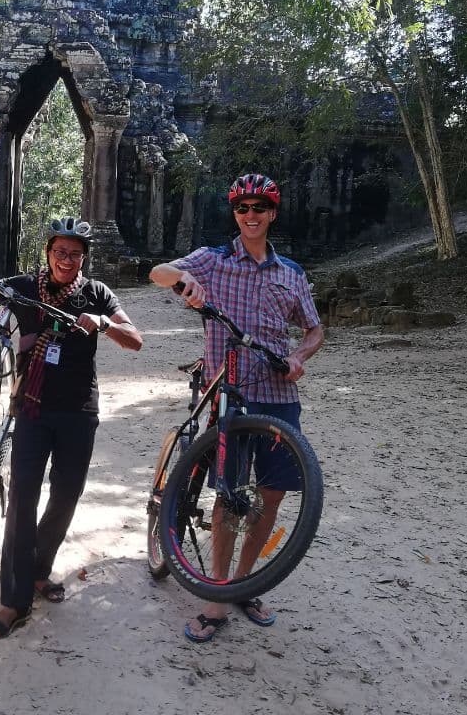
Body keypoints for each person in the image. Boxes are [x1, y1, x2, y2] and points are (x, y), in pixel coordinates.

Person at [0, 217, 142, 640]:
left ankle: (38, 569)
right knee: (24, 499)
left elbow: (135, 337)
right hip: (31, 408)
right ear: (48, 253)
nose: (67, 260)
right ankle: (13, 602)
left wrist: (102, 323)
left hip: (79, 411)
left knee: (67, 494)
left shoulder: (97, 293)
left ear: (84, 258)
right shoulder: (25, 289)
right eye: (60, 252)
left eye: (75, 254)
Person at [149, 173, 323, 643]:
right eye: (243, 208)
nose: (251, 216)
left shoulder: (291, 273)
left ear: (272, 214)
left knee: (270, 498)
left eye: (260, 208)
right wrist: (185, 279)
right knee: (228, 496)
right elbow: (158, 273)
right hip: (228, 390)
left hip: (278, 395)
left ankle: (246, 583)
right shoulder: (213, 259)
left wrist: (299, 357)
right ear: (235, 214)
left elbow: (313, 330)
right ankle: (217, 597)